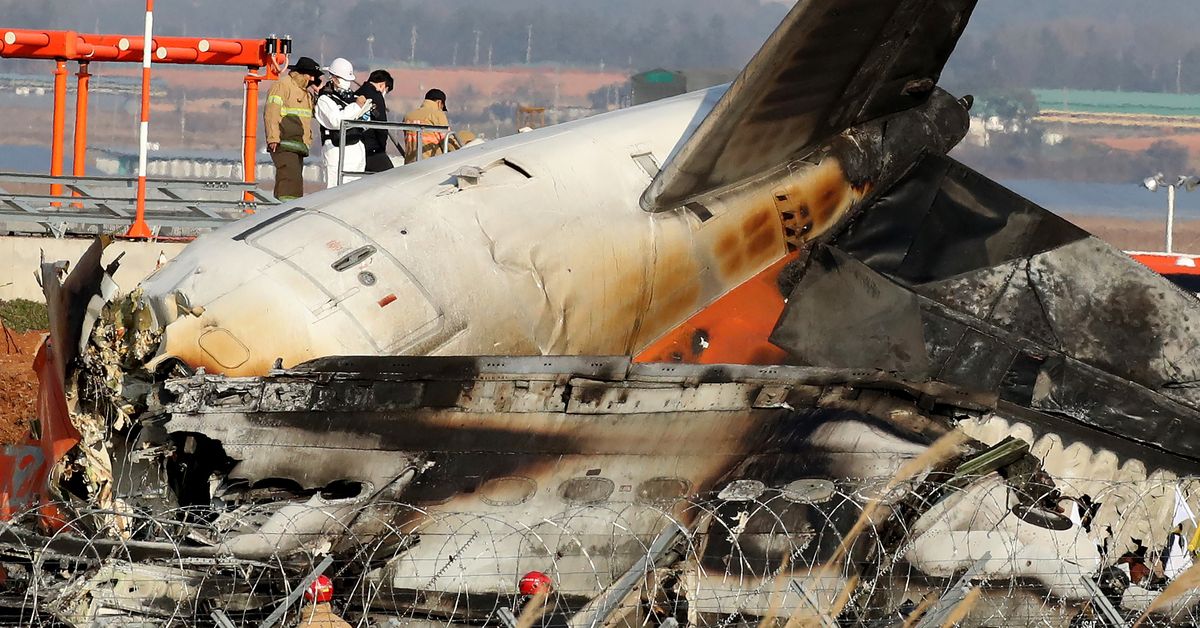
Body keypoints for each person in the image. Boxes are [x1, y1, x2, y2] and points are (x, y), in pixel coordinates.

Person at [263, 56, 321, 201]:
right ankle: (285, 211)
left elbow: (314, 113)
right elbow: (271, 113)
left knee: (294, 182)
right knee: (289, 180)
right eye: (311, 75)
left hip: (298, 145)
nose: (313, 79)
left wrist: (318, 94)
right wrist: (273, 138)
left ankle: (285, 208)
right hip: (283, 143)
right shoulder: (282, 86)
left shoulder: (306, 94)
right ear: (302, 73)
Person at [314, 57, 372, 187]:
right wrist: (356, 106)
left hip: (356, 147)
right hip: (336, 150)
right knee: (335, 189)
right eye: (343, 79)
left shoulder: (351, 98)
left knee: (355, 190)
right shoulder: (325, 100)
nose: (347, 83)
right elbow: (336, 121)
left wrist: (365, 110)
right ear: (333, 78)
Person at [355, 70, 395, 173]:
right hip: (372, 147)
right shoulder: (377, 96)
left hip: (356, 144)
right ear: (382, 85)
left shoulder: (357, 93)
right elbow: (381, 126)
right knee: (390, 176)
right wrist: (382, 147)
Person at [403, 88, 450, 164]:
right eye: (442, 107)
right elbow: (447, 140)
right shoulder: (438, 114)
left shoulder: (408, 116)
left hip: (410, 163)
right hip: (432, 163)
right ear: (439, 102)